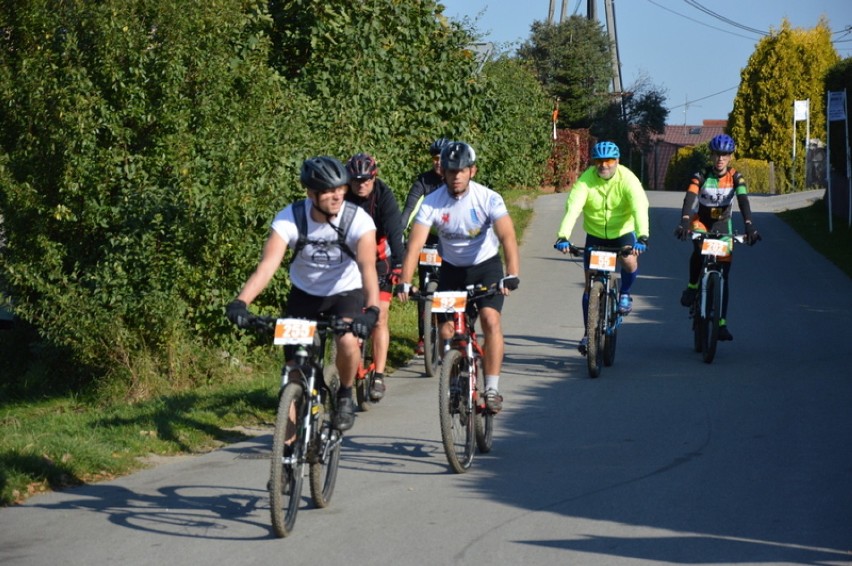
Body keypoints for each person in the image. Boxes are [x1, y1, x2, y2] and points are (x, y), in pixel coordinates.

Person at [225, 156, 381, 432]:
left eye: (340, 189)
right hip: (304, 296)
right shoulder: (291, 217)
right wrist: (241, 302)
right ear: (311, 193)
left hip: (345, 292)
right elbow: (267, 266)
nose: (337, 196)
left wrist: (372, 310)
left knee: (347, 341)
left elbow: (368, 267)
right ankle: (285, 463)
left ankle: (345, 393)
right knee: (293, 373)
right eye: (328, 191)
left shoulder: (358, 220)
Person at [395, 141, 520, 413]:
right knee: (446, 331)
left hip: (485, 266)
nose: (457, 176)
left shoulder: (488, 198)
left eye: (462, 170)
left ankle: (492, 388)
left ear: (472, 171)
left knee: (490, 319)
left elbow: (507, 236)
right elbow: (415, 244)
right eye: (451, 171)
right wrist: (405, 280)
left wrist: (512, 273)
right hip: (451, 270)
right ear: (444, 173)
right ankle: (452, 383)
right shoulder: (432, 202)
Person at [554, 140, 649, 355]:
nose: (604, 165)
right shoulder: (586, 180)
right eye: (599, 161)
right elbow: (573, 208)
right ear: (594, 162)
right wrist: (563, 236)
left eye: (609, 161)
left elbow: (639, 207)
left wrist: (642, 237)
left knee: (629, 259)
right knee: (590, 283)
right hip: (595, 234)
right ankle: (588, 333)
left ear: (617, 161)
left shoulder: (628, 180)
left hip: (622, 232)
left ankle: (624, 292)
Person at [674, 133, 761, 341]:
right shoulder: (701, 175)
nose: (720, 159)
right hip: (701, 222)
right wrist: (685, 222)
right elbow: (690, 198)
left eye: (725, 155)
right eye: (716, 154)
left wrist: (749, 226)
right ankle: (693, 286)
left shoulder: (736, 177)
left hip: (723, 225)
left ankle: (721, 323)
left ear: (730, 156)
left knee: (725, 275)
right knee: (698, 248)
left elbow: (743, 201)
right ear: (711, 156)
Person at [345, 152, 405, 401]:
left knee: (379, 317)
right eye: (356, 180)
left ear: (374, 177)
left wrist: (400, 267)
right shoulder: (341, 196)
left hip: (379, 261)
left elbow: (394, 232)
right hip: (348, 262)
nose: (361, 185)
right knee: (347, 321)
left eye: (366, 180)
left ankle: (378, 375)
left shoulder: (383, 196)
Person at [400, 137, 451, 356]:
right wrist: (400, 233)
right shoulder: (424, 181)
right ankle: (424, 337)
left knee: (450, 285)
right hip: (427, 239)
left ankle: (452, 328)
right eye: (434, 158)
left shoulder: (455, 180)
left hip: (450, 239)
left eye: (442, 158)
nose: (437, 162)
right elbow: (410, 208)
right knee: (424, 288)